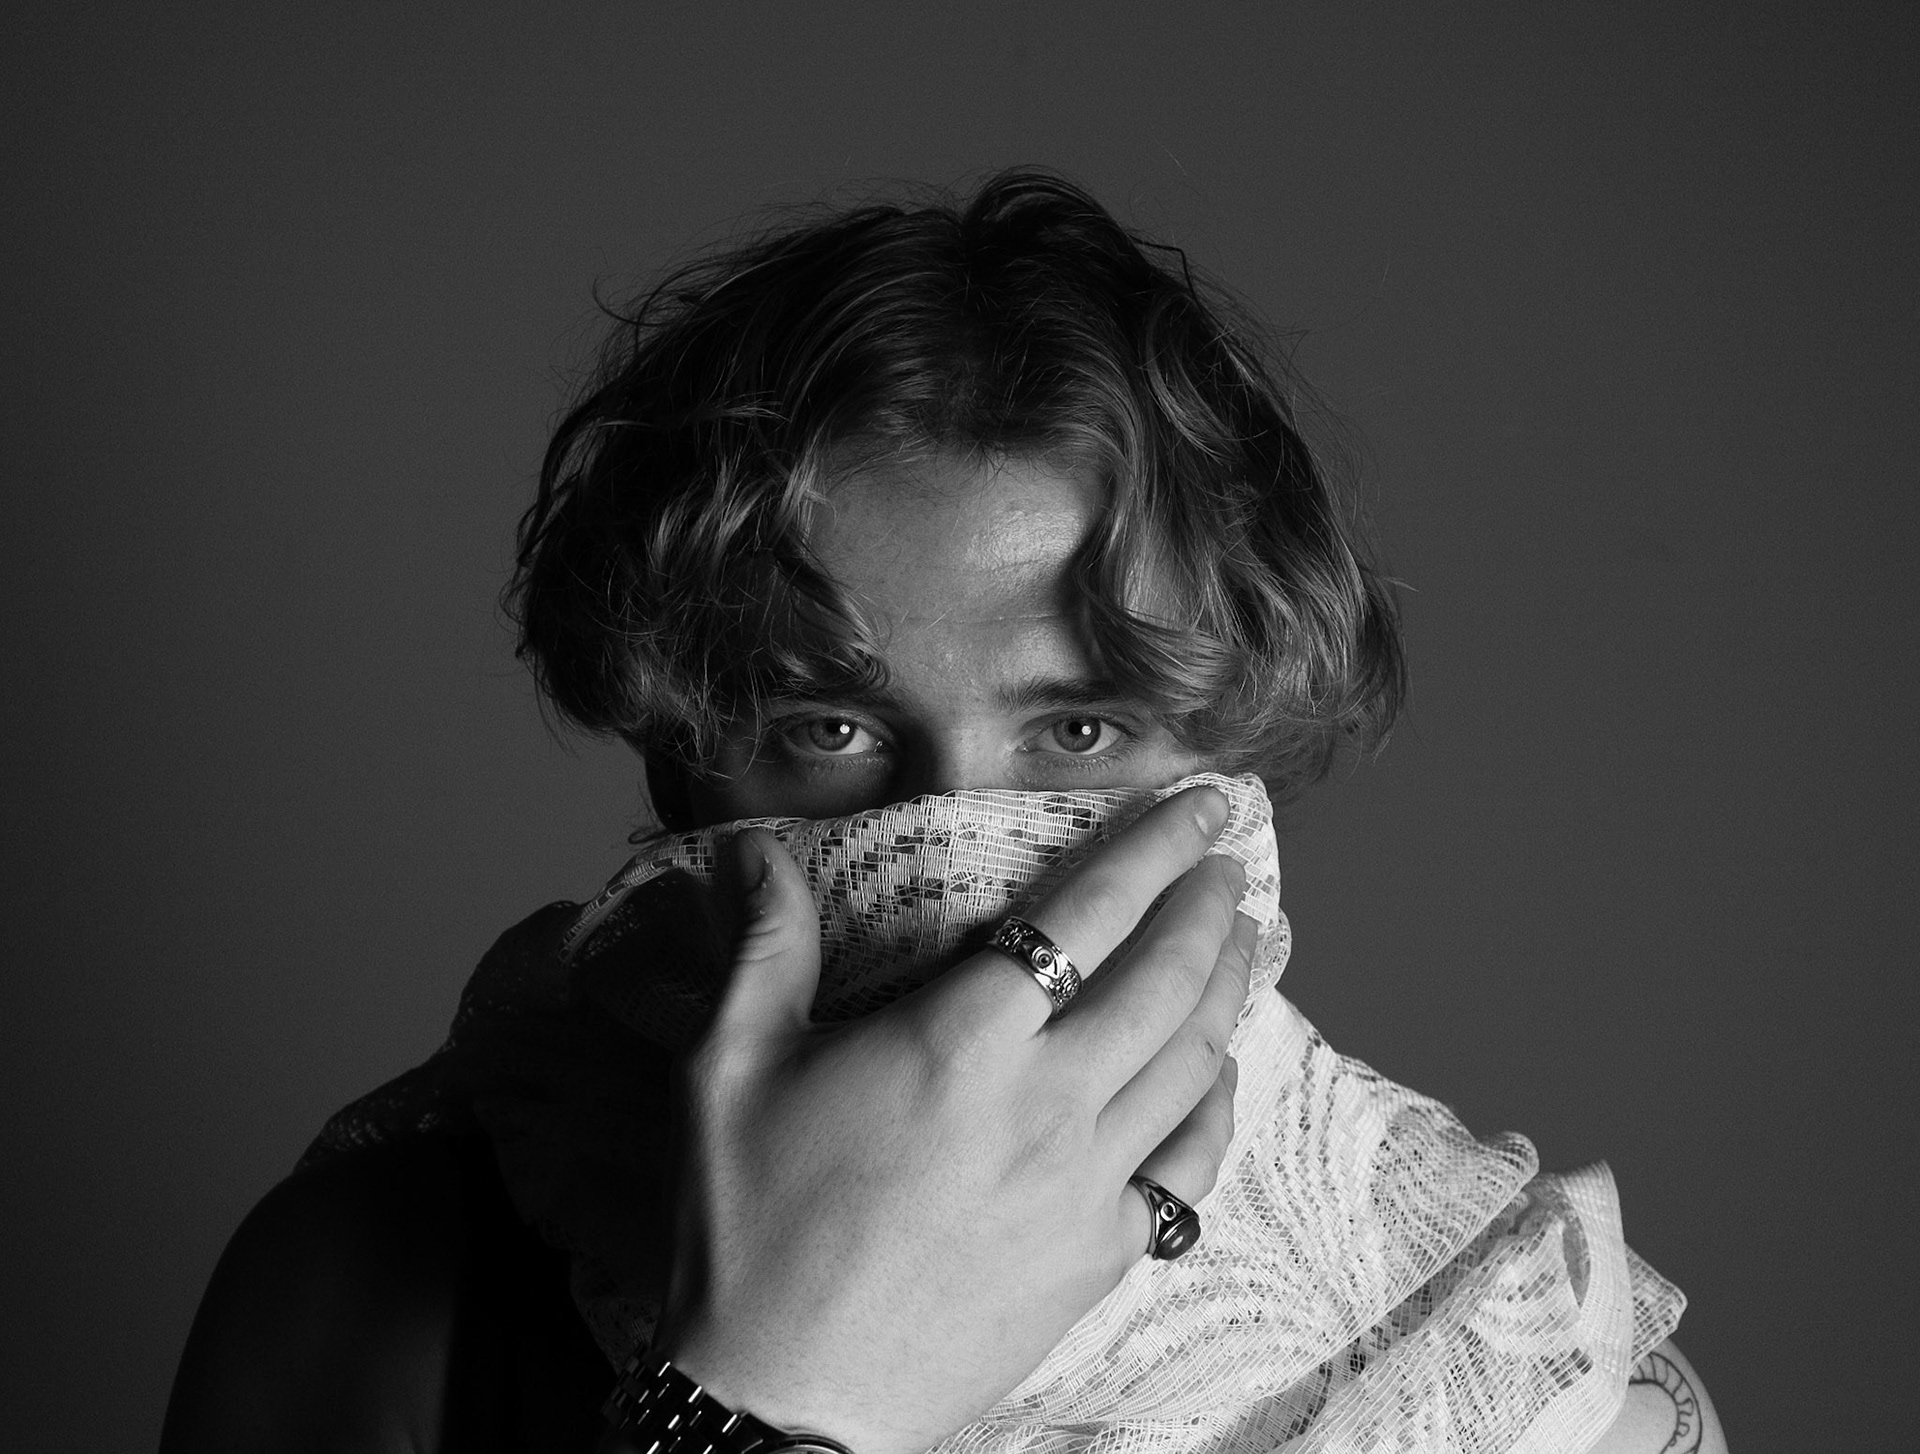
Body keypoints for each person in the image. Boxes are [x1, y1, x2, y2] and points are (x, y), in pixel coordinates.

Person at [160, 171, 1724, 1454]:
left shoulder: (1513, 1365)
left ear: (1222, 761)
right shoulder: (378, 1293)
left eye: (1078, 730)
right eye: (827, 729)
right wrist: (761, 1395)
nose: (954, 832)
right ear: (678, 762)